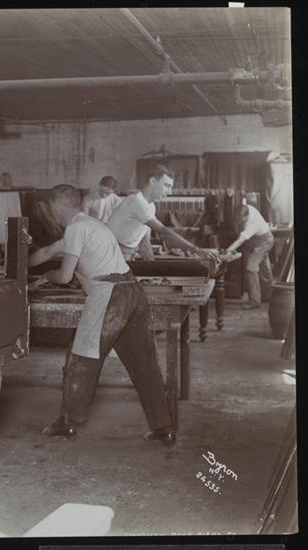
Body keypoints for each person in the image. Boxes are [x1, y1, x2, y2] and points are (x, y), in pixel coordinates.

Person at [29, 185, 176, 446]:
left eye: (51, 208)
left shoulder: (76, 228)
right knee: (144, 364)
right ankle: (164, 427)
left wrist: (45, 276)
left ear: (58, 205)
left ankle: (67, 423)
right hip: (132, 293)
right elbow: (49, 251)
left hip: (110, 295)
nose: (51, 214)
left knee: (81, 360)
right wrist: (19, 263)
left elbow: (64, 276)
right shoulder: (92, 225)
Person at [106, 164, 219, 263]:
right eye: (167, 186)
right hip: (110, 254)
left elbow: (144, 245)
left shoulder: (151, 206)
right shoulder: (136, 201)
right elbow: (164, 232)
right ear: (153, 181)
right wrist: (197, 250)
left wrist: (154, 272)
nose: (169, 192)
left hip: (124, 256)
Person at [224, 202, 274, 309]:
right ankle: (268, 296)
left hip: (264, 242)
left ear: (246, 216)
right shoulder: (247, 208)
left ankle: (254, 301)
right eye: (237, 220)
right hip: (253, 241)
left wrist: (227, 251)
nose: (239, 222)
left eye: (241, 220)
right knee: (263, 268)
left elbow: (240, 240)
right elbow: (240, 230)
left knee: (251, 268)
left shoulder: (252, 224)